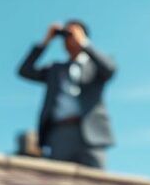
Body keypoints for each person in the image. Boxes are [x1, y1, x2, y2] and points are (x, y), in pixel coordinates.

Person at [18, 20, 116, 168]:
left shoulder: (95, 66)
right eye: (66, 36)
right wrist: (46, 41)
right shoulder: (55, 69)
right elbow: (25, 71)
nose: (68, 40)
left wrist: (84, 43)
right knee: (58, 180)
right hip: (60, 133)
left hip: (91, 134)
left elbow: (109, 69)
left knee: (97, 182)